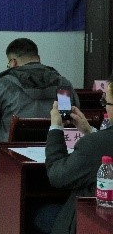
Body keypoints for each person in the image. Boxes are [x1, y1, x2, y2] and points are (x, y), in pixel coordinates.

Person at [0, 37, 79, 201]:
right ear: (38, 57)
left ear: (13, 62)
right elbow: (68, 118)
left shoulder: (5, 83)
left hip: (10, 157)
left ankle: (1, 210)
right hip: (54, 157)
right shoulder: (62, 84)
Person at [29, 79, 113, 234]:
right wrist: (90, 131)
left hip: (92, 223)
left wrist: (56, 127)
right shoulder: (97, 142)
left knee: (33, 211)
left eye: (105, 102)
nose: (105, 108)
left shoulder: (94, 145)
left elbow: (57, 175)